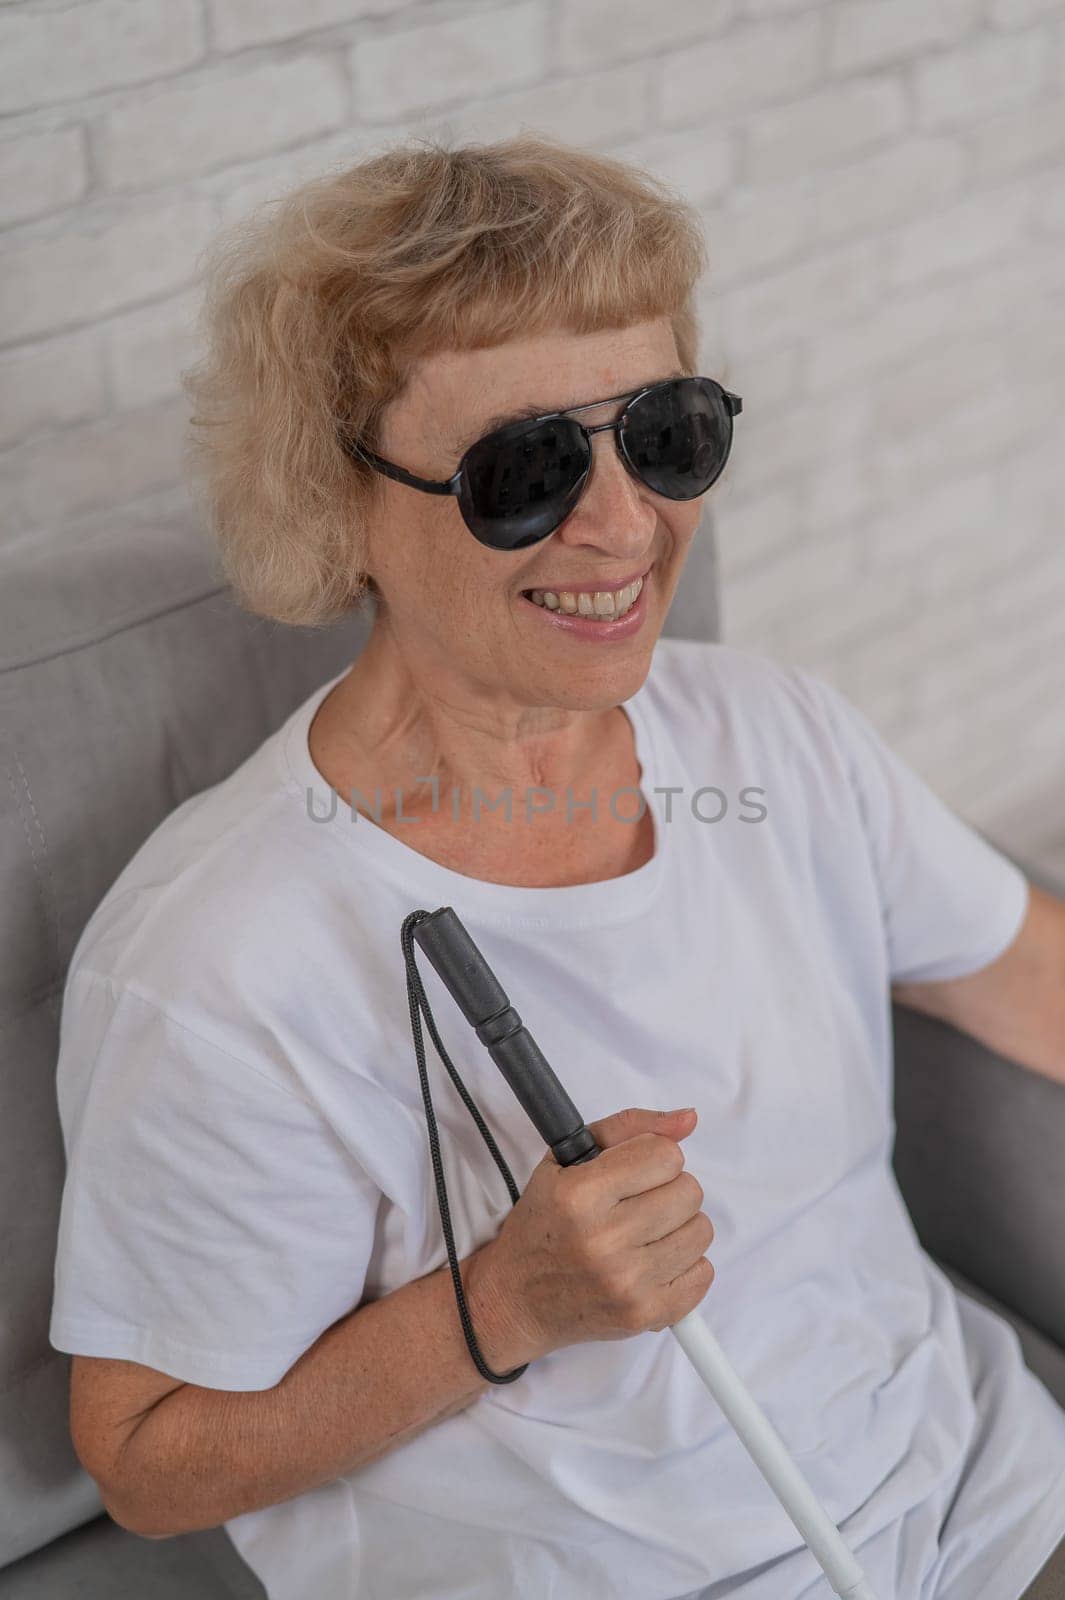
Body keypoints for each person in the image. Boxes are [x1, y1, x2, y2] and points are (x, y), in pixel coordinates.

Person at [49, 133, 1064, 1600]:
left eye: (662, 435)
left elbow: (1034, 980)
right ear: (336, 506)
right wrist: (497, 1306)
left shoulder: (776, 733)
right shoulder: (220, 958)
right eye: (522, 469)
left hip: (988, 1503)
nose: (623, 524)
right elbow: (145, 1462)